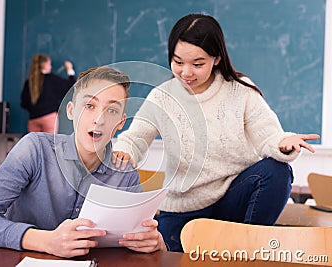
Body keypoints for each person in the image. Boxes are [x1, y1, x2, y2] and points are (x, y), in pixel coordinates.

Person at [112, 13, 320, 252]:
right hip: (183, 210)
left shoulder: (240, 90)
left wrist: (283, 142)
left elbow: (268, 136)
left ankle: (247, 250)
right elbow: (135, 136)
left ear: (217, 58)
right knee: (165, 256)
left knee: (277, 171)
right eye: (178, 62)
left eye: (197, 64)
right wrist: (124, 151)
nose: (186, 72)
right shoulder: (163, 96)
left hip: (231, 201)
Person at [0, 66, 167, 258]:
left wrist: (155, 242)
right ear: (71, 111)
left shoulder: (125, 172)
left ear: (121, 123)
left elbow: (142, 240)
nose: (99, 119)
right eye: (89, 106)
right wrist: (46, 241)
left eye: (111, 111)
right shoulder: (34, 149)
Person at [21, 53, 76, 133]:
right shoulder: (51, 79)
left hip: (33, 120)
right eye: (49, 64)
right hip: (49, 118)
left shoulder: (29, 82)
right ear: (44, 65)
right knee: (49, 145)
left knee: (35, 145)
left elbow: (23, 103)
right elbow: (70, 86)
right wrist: (70, 70)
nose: (50, 67)